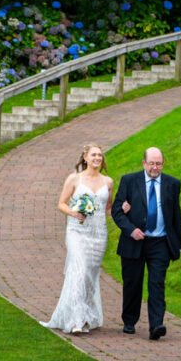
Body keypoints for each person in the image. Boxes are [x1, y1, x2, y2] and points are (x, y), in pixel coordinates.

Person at [111, 147, 181, 340]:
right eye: (151, 163)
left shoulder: (172, 184)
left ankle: (156, 325)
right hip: (134, 241)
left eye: (158, 163)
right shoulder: (129, 181)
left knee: (156, 283)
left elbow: (176, 214)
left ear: (163, 164)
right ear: (144, 163)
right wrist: (131, 230)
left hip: (160, 242)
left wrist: (178, 243)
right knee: (133, 283)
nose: (154, 167)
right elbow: (117, 211)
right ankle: (129, 320)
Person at [40, 143, 113, 334]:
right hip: (77, 232)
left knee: (89, 275)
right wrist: (73, 212)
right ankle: (76, 321)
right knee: (78, 271)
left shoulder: (108, 182)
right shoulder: (74, 179)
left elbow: (108, 209)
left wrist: (126, 209)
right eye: (94, 155)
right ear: (85, 157)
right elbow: (61, 204)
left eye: (100, 155)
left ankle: (87, 314)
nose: (97, 158)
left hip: (98, 234)